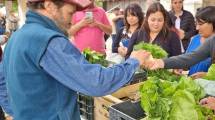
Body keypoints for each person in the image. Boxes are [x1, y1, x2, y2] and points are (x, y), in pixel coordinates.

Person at [2, 0, 150, 119]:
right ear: (50, 6)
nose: (72, 19)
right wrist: (133, 62)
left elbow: (2, 82)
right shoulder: (49, 41)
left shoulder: (17, 36)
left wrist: (16, 112)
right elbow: (96, 83)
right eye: (70, 12)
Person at [186, 6, 215, 77]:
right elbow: (187, 61)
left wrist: (207, 75)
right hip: (191, 86)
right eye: (196, 24)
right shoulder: (194, 39)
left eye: (201, 24)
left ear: (213, 24)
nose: (197, 28)